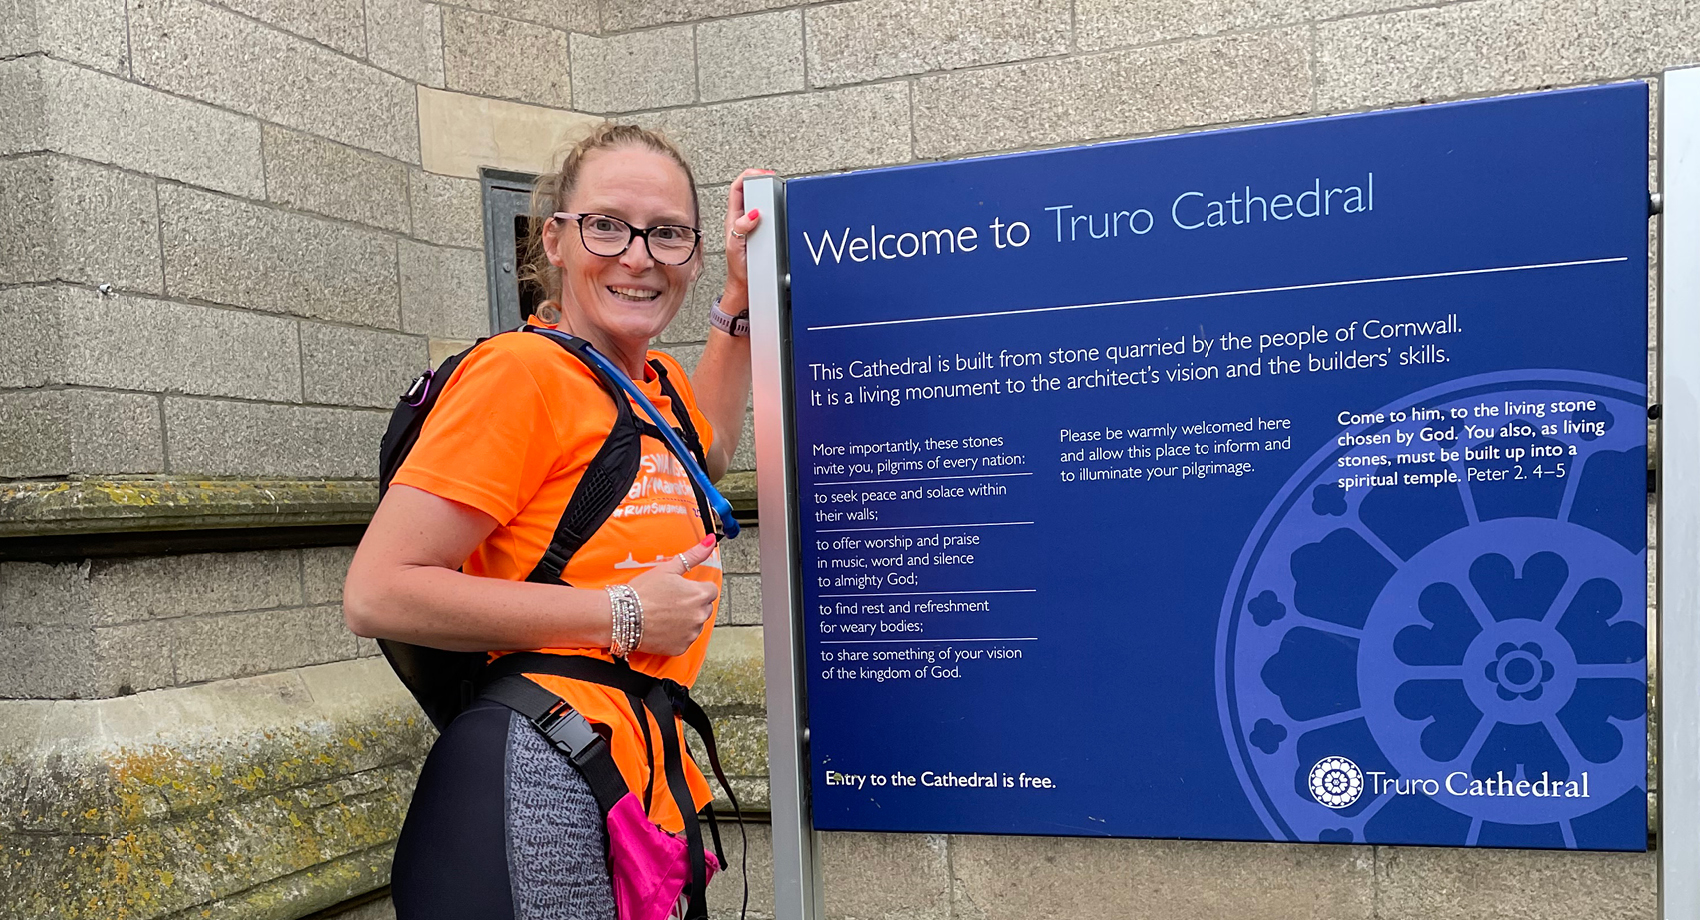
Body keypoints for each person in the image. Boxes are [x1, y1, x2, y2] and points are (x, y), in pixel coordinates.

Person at [343, 123, 769, 920]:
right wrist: (625, 612)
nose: (639, 256)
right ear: (557, 240)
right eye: (608, 225)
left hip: (625, 772)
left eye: (668, 234)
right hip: (541, 775)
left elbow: (700, 455)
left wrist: (738, 303)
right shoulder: (523, 374)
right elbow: (377, 593)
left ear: (695, 252)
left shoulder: (652, 386)